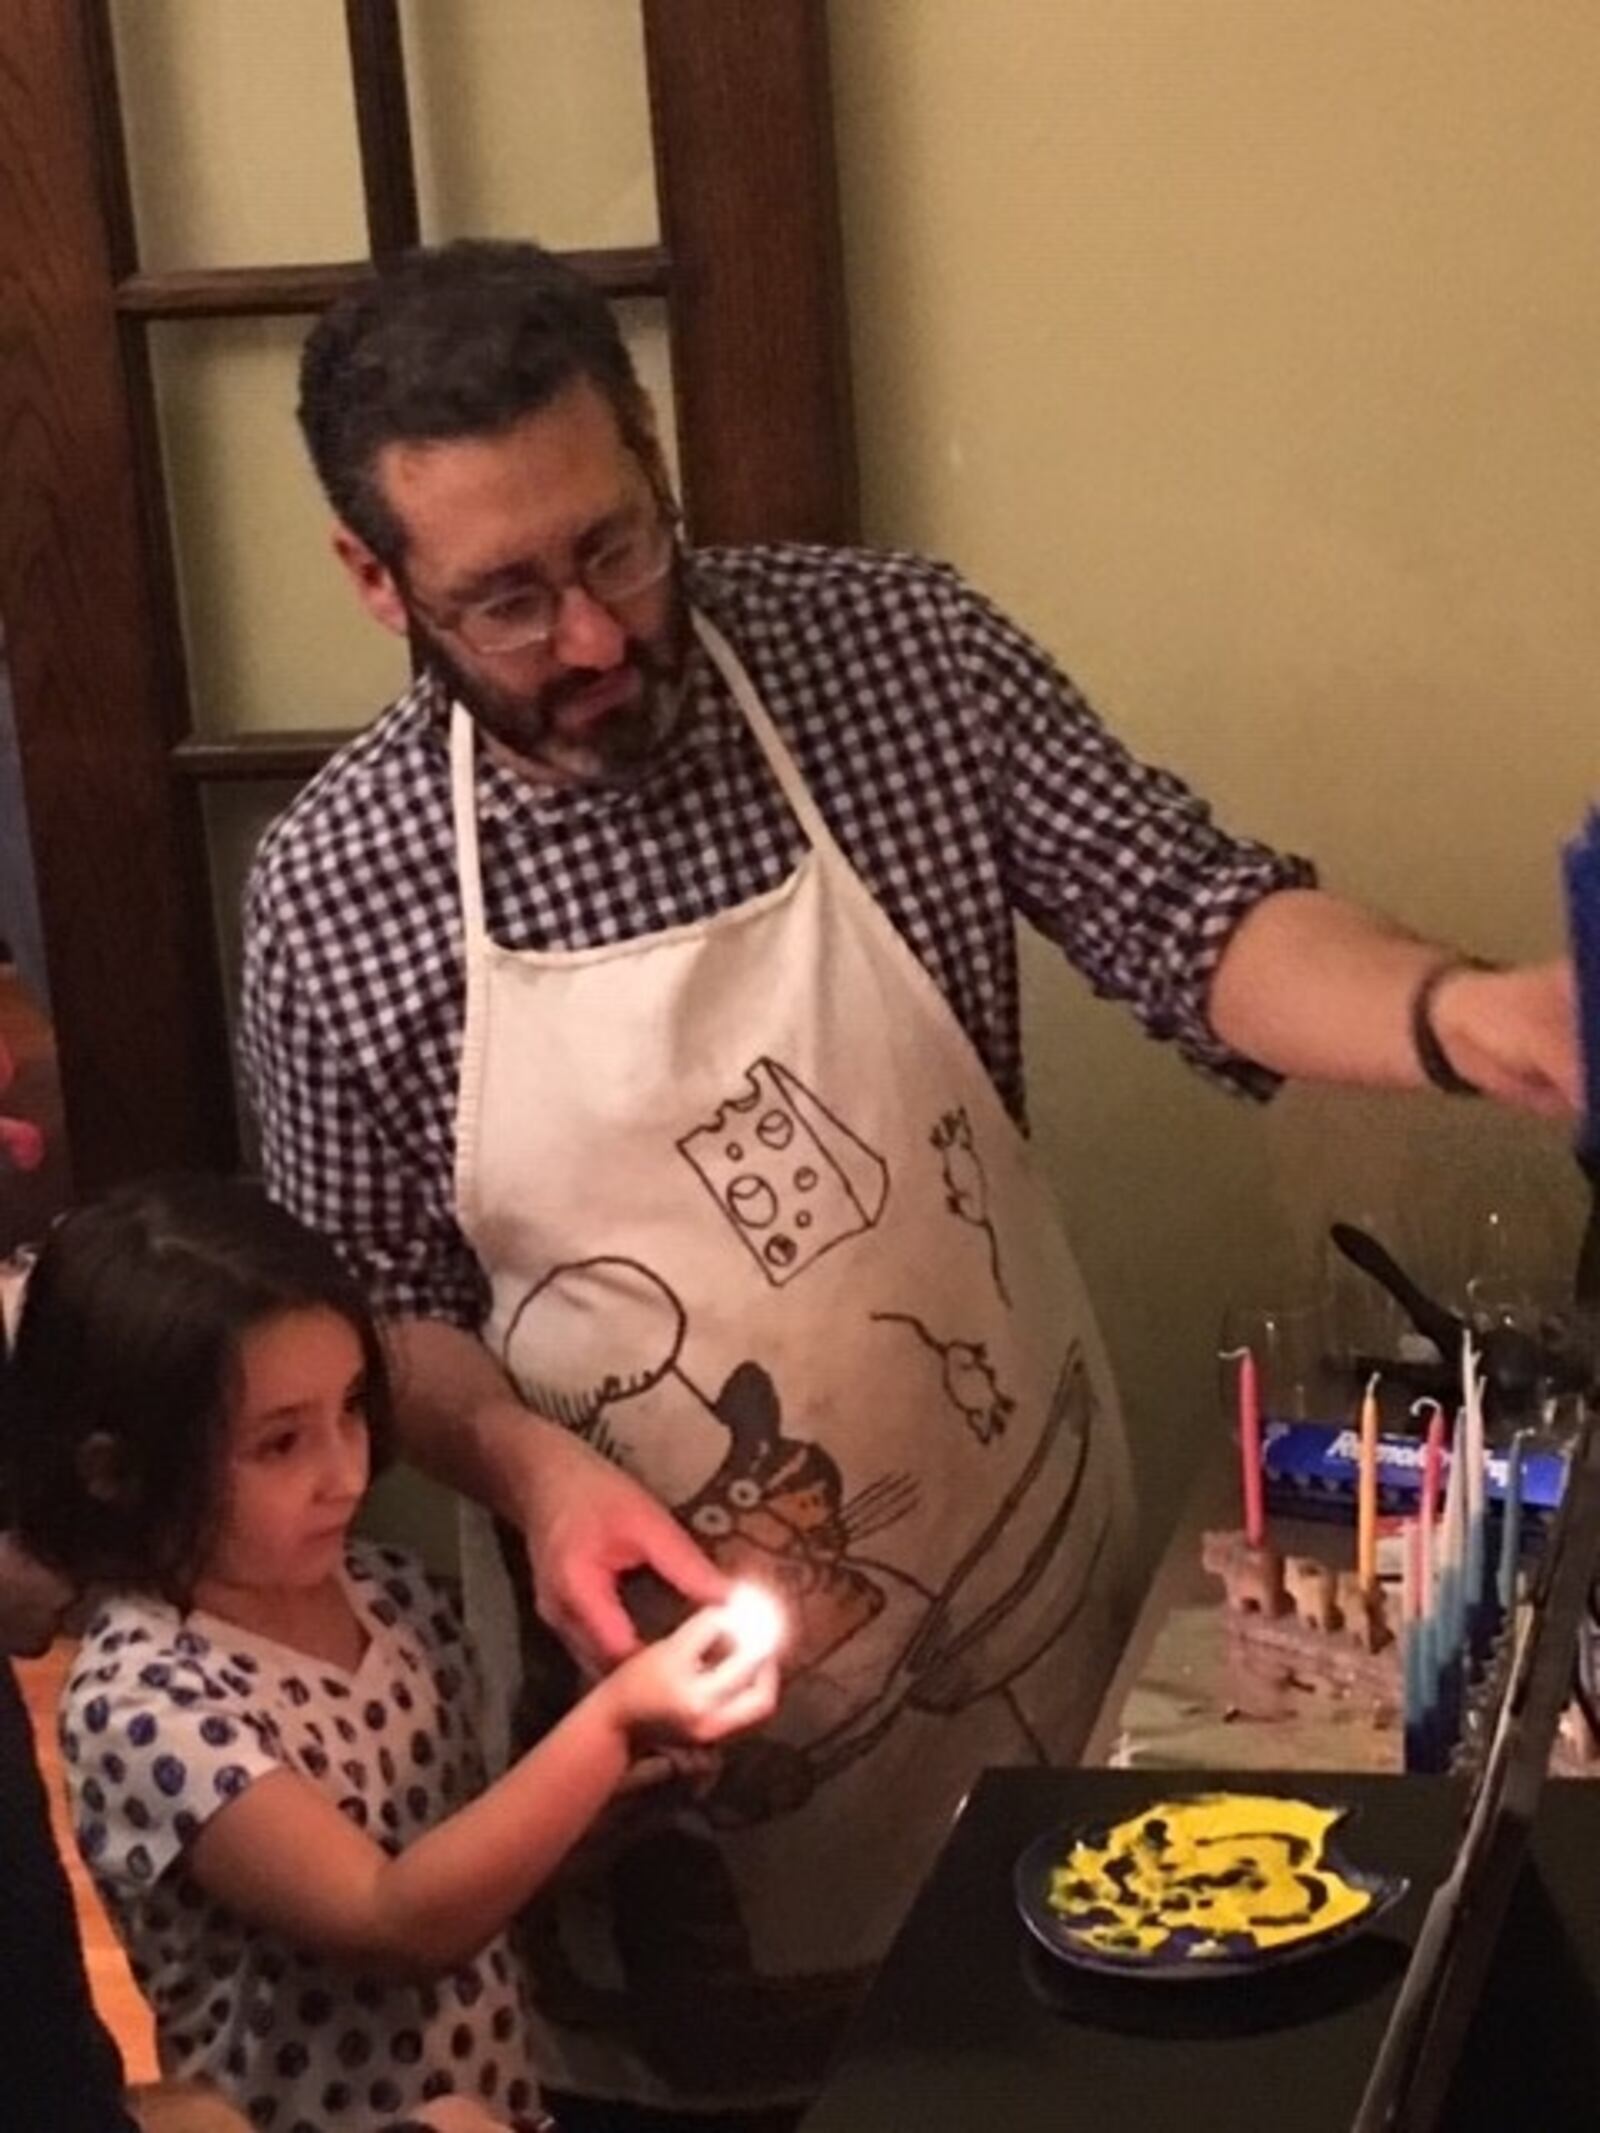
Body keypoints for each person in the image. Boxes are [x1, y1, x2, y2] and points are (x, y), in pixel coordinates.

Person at [241, 237, 1579, 2126]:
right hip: (666, 1748)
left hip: (1019, 1627)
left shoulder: (896, 660)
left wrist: (1463, 1017)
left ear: (655, 454)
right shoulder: (335, 890)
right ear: (374, 579)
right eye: (510, 598)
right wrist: (542, 1482)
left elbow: (1193, 916)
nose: (601, 634)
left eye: (619, 543)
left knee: (1061, 2062)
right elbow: (381, 1321)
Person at [0, 1175, 778, 2133]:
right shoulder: (143, 1701)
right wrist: (607, 1727)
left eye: (354, 1408)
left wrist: (593, 1812)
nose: (345, 1470)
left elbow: (459, 1858)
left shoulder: (388, 1593)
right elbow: (393, 1920)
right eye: (280, 1443)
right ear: (115, 1471)